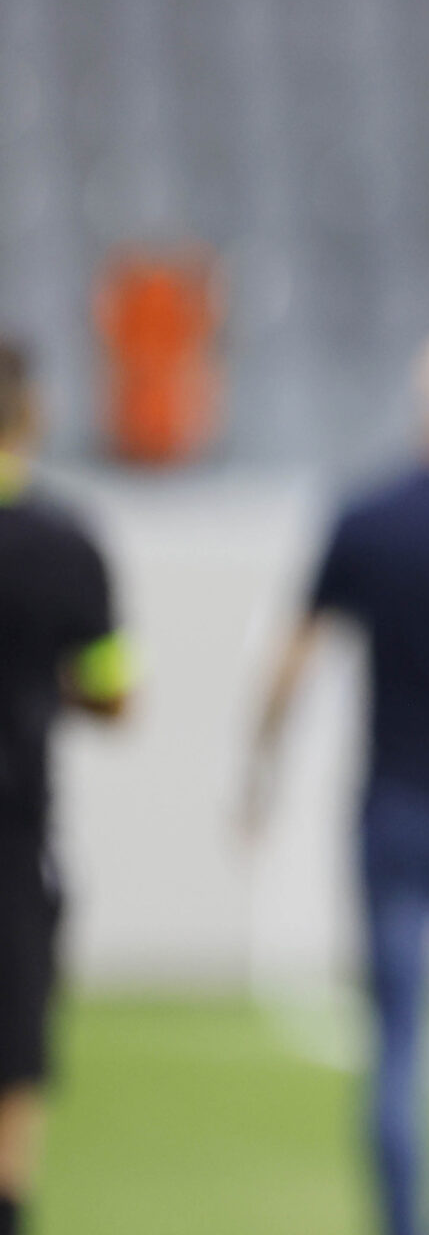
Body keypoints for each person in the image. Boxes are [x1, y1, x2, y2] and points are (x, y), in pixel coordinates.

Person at [246, 319, 429, 1235]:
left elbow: (292, 660)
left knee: (399, 1038)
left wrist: (259, 774)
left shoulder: (370, 519)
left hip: (397, 812)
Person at [0, 336, 131, 1235]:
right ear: (32, 412)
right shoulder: (63, 542)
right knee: (12, 1061)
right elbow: (112, 690)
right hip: (13, 837)